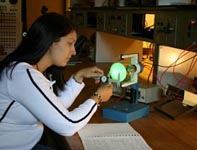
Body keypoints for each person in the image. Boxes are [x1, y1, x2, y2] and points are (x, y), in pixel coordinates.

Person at [0, 12, 113, 150]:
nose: (74, 51)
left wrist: (78, 77)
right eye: (70, 43)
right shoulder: (23, 75)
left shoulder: (31, 70)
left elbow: (55, 108)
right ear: (50, 43)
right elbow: (68, 125)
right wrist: (98, 97)